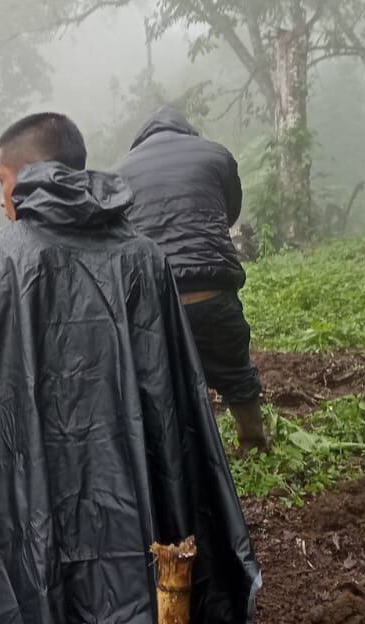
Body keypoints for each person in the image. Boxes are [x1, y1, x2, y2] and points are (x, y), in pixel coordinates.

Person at [0, 113, 261, 624]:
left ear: (26, 175)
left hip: (30, 536)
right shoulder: (144, 259)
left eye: (1, 182)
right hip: (136, 544)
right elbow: (175, 425)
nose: (1, 203)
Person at [113, 105, 269, 453]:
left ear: (143, 136)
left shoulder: (120, 170)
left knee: (158, 382)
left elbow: (118, 234)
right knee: (235, 371)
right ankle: (253, 442)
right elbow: (229, 211)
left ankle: (173, 456)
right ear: (187, 130)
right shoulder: (216, 155)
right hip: (211, 292)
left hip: (153, 302)